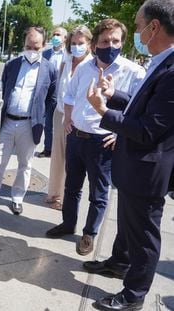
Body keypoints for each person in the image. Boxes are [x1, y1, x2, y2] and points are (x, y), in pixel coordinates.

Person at [84, 1, 174, 310]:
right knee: (127, 224)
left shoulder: (172, 70)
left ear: (154, 27)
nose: (135, 31)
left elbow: (148, 129)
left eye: (137, 26)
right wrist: (114, 96)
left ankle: (133, 296)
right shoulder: (161, 60)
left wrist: (103, 111)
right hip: (134, 167)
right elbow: (141, 105)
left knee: (144, 237)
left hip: (147, 171)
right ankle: (119, 262)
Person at [45, 19, 145, 257]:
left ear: (122, 42)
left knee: (98, 194)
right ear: (95, 44)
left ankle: (89, 233)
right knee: (72, 187)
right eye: (105, 41)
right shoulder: (83, 68)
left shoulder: (134, 72)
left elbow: (139, 112)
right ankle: (68, 224)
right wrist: (68, 118)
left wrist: (121, 135)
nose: (110, 45)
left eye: (115, 41)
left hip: (103, 143)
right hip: (77, 137)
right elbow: (69, 96)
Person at [0, 26, 57, 215]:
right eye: (28, 46)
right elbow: (3, 89)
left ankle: (17, 198)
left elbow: (51, 98)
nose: (32, 50)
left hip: (30, 125)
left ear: (44, 45)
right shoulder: (12, 65)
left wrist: (40, 117)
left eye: (36, 47)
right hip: (7, 122)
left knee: (25, 164)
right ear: (24, 44)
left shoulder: (49, 69)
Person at [45, 25, 93, 210]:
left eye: (80, 43)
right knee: (57, 155)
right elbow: (60, 89)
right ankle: (53, 193)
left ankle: (65, 198)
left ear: (89, 43)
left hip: (76, 119)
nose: (76, 46)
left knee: (71, 160)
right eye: (73, 43)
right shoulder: (66, 61)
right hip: (60, 114)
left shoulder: (91, 65)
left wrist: (72, 117)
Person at [38, 27, 68, 158]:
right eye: (54, 34)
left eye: (58, 35)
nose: (55, 37)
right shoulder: (45, 54)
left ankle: (62, 151)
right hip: (48, 93)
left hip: (64, 94)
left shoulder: (68, 55)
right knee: (48, 123)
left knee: (63, 124)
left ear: (65, 38)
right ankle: (48, 149)